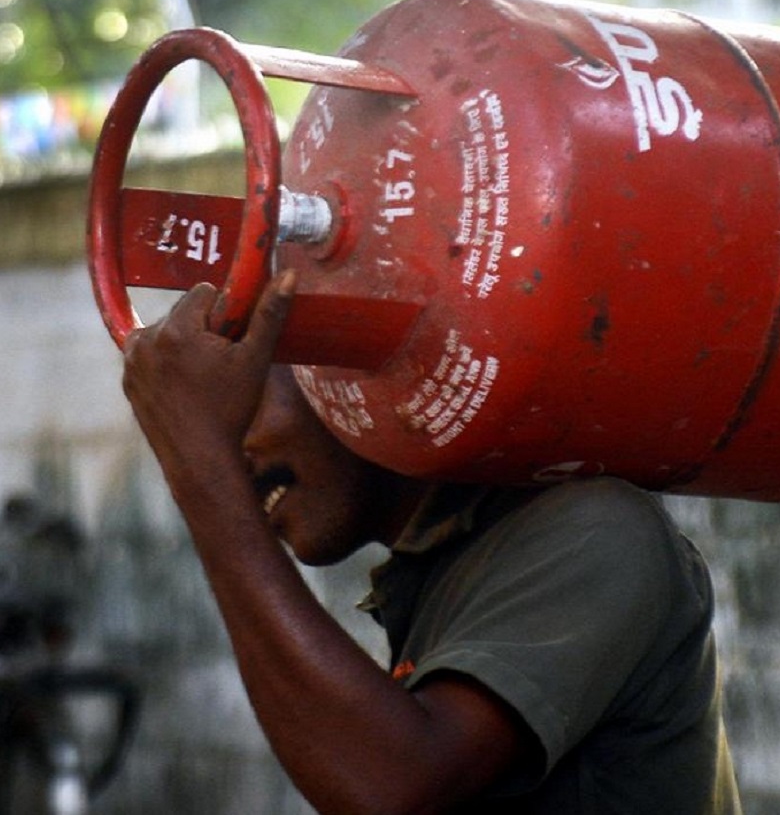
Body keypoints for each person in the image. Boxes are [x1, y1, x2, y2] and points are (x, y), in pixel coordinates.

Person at [121, 271, 741, 814]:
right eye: (214, 427)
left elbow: (391, 785)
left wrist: (203, 473)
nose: (236, 452)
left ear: (340, 366)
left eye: (243, 406)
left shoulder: (597, 531)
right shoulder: (443, 569)